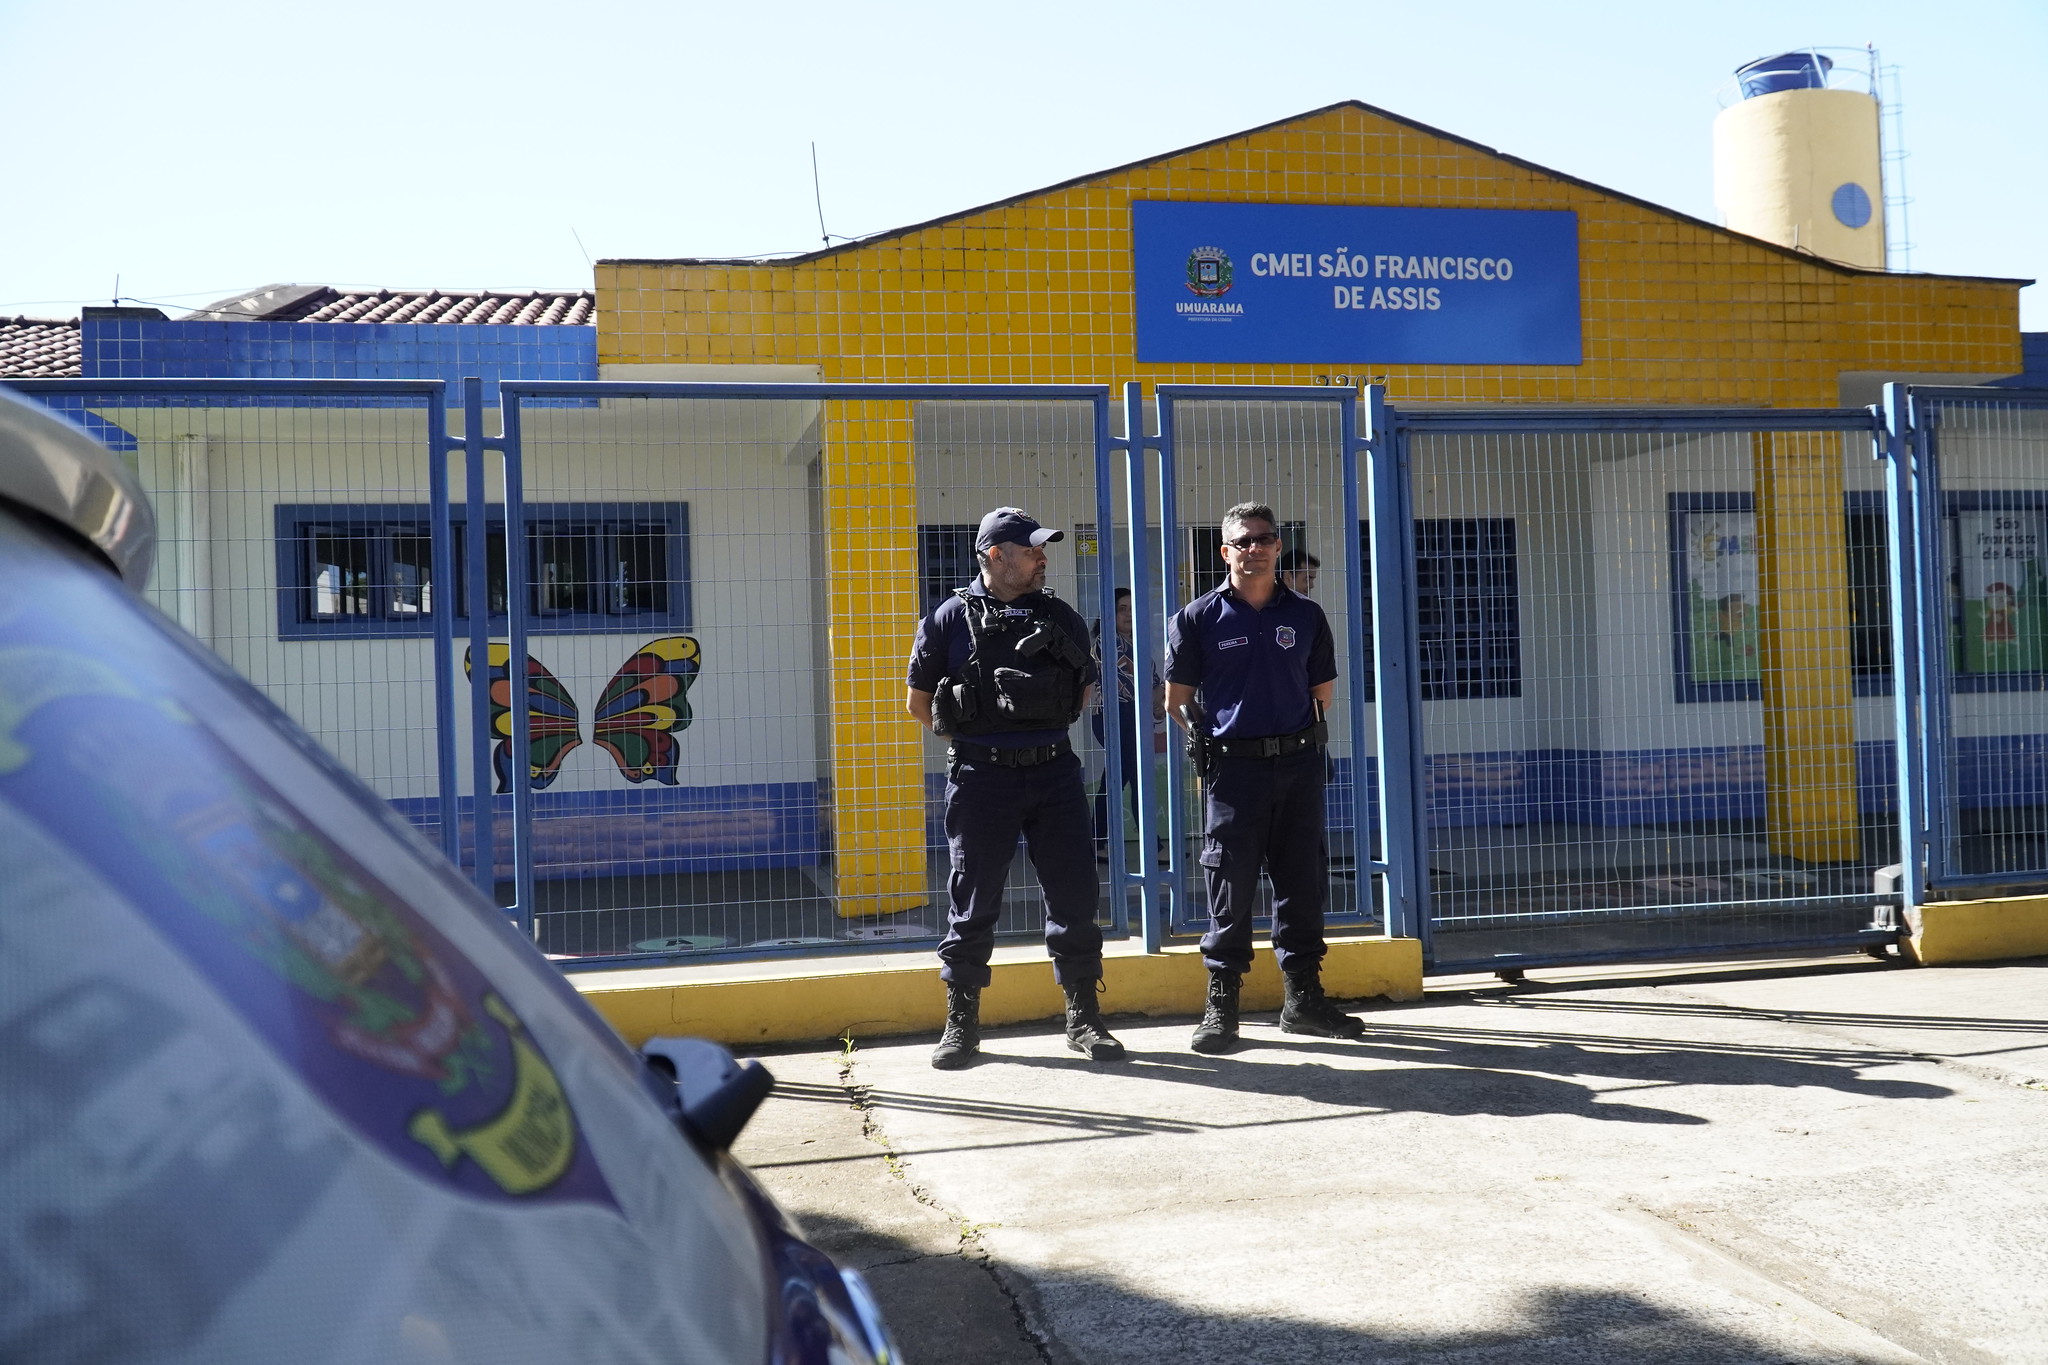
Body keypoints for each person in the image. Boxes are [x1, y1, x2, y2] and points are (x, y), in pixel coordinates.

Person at [906, 507, 1126, 1070]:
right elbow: (919, 701)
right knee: (973, 899)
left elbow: (1083, 693)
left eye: (1041, 549)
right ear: (994, 556)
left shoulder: (1062, 616)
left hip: (1054, 772)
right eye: (1030, 550)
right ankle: (962, 1022)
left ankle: (1083, 1017)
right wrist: (982, 734)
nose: (1041, 558)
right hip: (981, 778)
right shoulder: (949, 618)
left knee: (1075, 898)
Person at [1165, 502, 1365, 1053]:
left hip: (1299, 765)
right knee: (1230, 880)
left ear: (1278, 546)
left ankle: (1303, 1002)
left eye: (1265, 539)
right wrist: (1208, 740)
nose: (1256, 548)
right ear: (1225, 551)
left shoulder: (1306, 615)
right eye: (1244, 541)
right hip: (1234, 770)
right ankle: (1221, 1008)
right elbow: (1177, 701)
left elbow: (1323, 691)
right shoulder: (1197, 618)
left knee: (1301, 880)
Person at [1091, 588, 1165, 862]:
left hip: (1133, 716)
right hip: (1115, 716)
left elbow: (1154, 681)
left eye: (1132, 610)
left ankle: (1097, 840)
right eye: (1123, 609)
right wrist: (1156, 698)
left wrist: (1158, 699)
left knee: (1117, 780)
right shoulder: (1107, 642)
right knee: (1132, 778)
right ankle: (1154, 847)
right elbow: (1137, 681)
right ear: (1110, 613)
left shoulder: (1135, 643)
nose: (1128, 615)